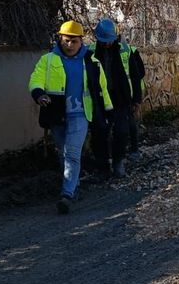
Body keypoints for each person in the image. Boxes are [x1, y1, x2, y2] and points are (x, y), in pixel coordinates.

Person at [29, 20, 113, 215]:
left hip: (81, 114)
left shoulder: (92, 62)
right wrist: (39, 94)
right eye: (66, 40)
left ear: (81, 41)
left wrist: (108, 111)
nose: (69, 45)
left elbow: (102, 89)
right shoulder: (48, 60)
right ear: (60, 38)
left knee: (72, 152)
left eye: (74, 41)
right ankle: (71, 183)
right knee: (63, 152)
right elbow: (35, 79)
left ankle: (67, 194)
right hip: (57, 114)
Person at [88, 18, 146, 179]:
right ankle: (102, 165)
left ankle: (118, 161)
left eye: (110, 41)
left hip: (120, 98)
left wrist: (136, 100)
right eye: (103, 41)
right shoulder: (90, 52)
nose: (107, 45)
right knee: (99, 133)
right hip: (99, 99)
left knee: (121, 131)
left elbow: (135, 76)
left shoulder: (125, 51)